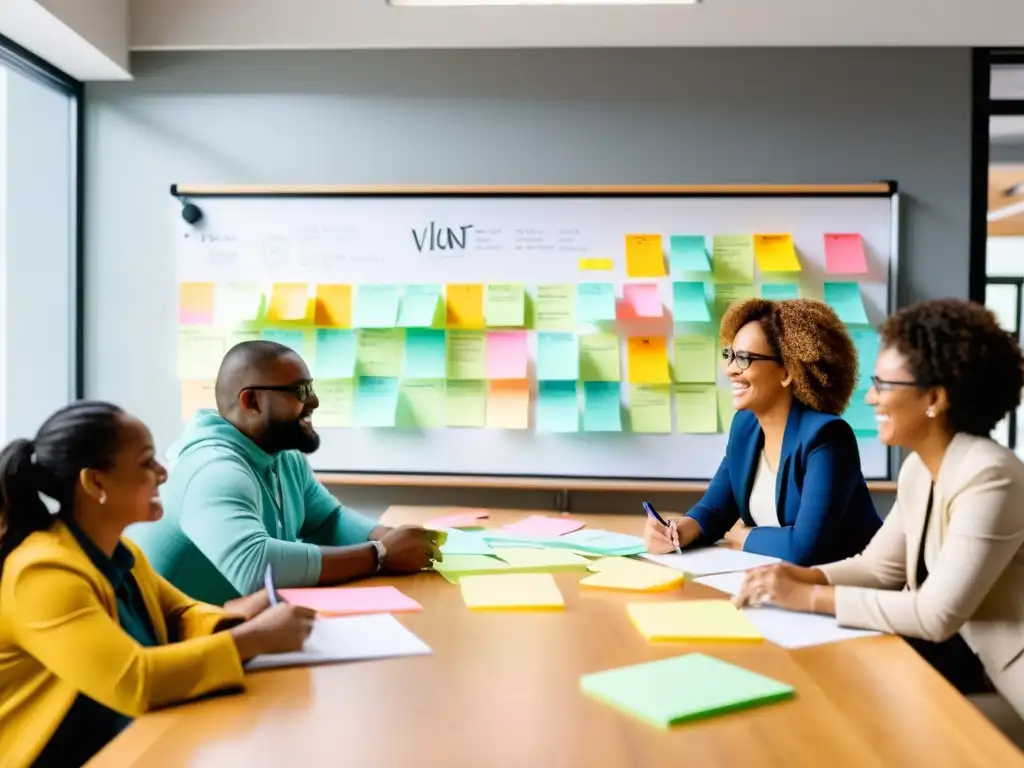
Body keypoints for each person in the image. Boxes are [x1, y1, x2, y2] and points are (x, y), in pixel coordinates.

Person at [733, 298, 1024, 730]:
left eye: (883, 385)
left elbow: (934, 615)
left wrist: (809, 598)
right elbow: (876, 567)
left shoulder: (990, 475)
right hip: (954, 668)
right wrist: (803, 578)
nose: (869, 397)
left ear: (934, 398)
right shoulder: (918, 469)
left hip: (1005, 687)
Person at [0, 401, 317, 768]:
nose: (163, 473)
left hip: (132, 739)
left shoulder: (119, 551)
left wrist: (238, 623)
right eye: (146, 462)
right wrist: (254, 639)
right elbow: (134, 681)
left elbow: (180, 612)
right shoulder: (41, 574)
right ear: (95, 482)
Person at [128, 340, 442, 606]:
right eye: (300, 391)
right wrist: (381, 554)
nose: (314, 401)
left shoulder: (282, 457)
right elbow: (256, 569)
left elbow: (326, 521)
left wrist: (391, 537)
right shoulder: (214, 471)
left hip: (228, 632)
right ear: (252, 400)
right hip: (167, 650)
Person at [644, 298, 881, 565]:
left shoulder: (827, 438)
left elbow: (805, 548)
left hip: (850, 588)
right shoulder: (745, 426)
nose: (731, 369)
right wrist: (677, 531)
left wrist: (742, 537)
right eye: (729, 355)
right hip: (781, 583)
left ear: (787, 371)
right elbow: (715, 508)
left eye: (744, 358)